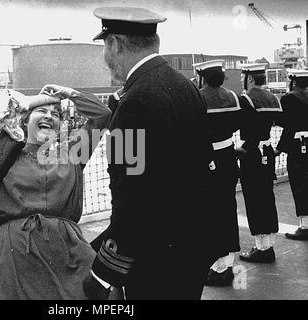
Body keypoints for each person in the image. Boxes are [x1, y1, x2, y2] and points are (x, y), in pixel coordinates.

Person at [83, 7, 222, 300]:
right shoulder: (184, 86)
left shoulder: (132, 103)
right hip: (192, 245)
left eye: (105, 47)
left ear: (115, 44)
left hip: (155, 258)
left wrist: (105, 271)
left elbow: (130, 194)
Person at [0, 87, 111, 299]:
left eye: (56, 114)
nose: (49, 116)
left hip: (68, 256)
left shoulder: (71, 153)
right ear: (25, 119)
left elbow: (102, 115)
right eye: (41, 111)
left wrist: (68, 93)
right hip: (17, 259)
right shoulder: (2, 157)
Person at [193, 59, 249, 286]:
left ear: (203, 77)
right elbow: (236, 124)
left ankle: (218, 268)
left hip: (207, 161)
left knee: (209, 213)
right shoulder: (233, 97)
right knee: (228, 208)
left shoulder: (198, 97)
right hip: (228, 157)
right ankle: (228, 261)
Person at [237, 63, 282, 263]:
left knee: (254, 199)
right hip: (268, 151)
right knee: (266, 197)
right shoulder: (272, 98)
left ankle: (260, 248)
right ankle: (268, 245)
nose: (241, 80)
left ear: (251, 79)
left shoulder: (246, 99)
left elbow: (237, 125)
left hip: (252, 152)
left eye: (243, 77)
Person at [276, 69, 308, 240]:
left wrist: (280, 148)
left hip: (297, 145)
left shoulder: (289, 98)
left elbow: (286, 125)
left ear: (294, 82)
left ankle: (304, 226)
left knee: (299, 185)